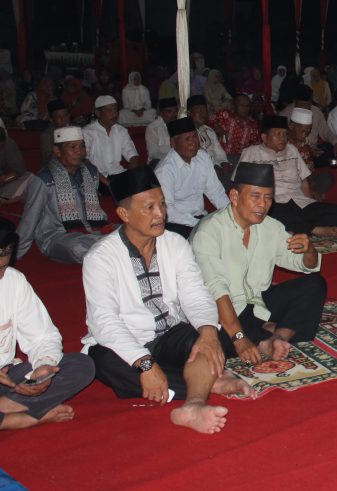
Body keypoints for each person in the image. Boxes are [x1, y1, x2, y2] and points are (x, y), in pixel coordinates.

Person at [82, 167, 253, 433]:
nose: (160, 214)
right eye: (149, 207)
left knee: (208, 339)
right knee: (100, 362)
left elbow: (195, 293)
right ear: (124, 214)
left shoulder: (175, 244)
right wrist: (145, 363)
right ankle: (209, 382)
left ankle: (193, 404)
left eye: (162, 204)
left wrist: (207, 333)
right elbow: (104, 322)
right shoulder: (100, 258)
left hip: (170, 335)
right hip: (126, 342)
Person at [191, 162, 326, 366]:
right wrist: (239, 338)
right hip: (223, 310)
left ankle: (277, 337)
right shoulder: (209, 232)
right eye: (255, 196)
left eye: (268, 197)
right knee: (214, 335)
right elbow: (217, 292)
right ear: (234, 197)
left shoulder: (270, 227)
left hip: (257, 304)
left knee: (314, 284)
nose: (262, 204)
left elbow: (306, 264)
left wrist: (309, 250)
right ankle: (263, 339)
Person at [0, 228, 95, 431]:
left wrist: (44, 367)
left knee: (81, 365)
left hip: (6, 379)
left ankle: (6, 408)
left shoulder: (13, 281)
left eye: (2, 267)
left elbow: (42, 337)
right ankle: (24, 419)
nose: (0, 275)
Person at [237, 116, 337, 236]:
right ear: (264, 137)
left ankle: (294, 228)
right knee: (270, 216)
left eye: (285, 134)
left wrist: (311, 204)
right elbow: (240, 185)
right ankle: (314, 229)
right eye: (278, 134)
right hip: (273, 204)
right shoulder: (251, 153)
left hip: (298, 201)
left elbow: (304, 181)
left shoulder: (292, 150)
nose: (282, 138)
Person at [16, 127, 109, 265]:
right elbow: (30, 219)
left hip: (94, 230)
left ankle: (107, 250)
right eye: (72, 147)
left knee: (130, 232)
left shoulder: (91, 172)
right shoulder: (43, 179)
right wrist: (13, 254)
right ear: (57, 151)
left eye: (82, 146)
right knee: (77, 248)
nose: (79, 151)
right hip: (58, 236)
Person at [154, 118, 229, 239]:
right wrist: (199, 224)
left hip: (200, 218)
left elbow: (216, 193)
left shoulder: (202, 157)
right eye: (187, 139)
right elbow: (168, 210)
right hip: (176, 223)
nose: (193, 142)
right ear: (173, 143)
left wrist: (232, 215)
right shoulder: (165, 170)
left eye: (195, 136)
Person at [83, 95, 141, 190]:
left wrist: (130, 176)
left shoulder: (121, 130)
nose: (114, 114)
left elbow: (133, 156)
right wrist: (106, 182)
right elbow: (84, 161)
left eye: (115, 110)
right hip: (98, 177)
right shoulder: (87, 132)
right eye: (109, 110)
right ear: (98, 113)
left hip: (119, 174)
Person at [280, 86, 337, 166]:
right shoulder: (284, 115)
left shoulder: (316, 111)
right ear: (294, 102)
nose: (304, 108)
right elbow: (283, 141)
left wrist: (336, 144)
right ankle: (330, 162)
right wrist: (308, 149)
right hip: (294, 150)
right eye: (301, 105)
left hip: (314, 148)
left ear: (311, 102)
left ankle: (328, 161)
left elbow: (326, 131)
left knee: (330, 148)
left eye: (307, 104)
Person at [287, 107, 334, 196]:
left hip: (306, 181)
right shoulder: (283, 144)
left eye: (308, 130)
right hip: (291, 184)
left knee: (326, 178)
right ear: (291, 126)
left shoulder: (305, 140)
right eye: (303, 130)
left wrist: (311, 151)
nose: (305, 134)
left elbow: (309, 167)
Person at [186, 95, 232, 183]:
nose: (203, 114)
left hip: (217, 168)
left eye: (205, 110)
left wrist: (224, 163)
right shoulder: (186, 134)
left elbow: (219, 151)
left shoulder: (209, 131)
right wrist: (214, 167)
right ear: (189, 113)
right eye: (199, 110)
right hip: (200, 171)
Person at [211, 93, 261, 163]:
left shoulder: (253, 125)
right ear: (234, 106)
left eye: (247, 105)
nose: (245, 108)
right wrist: (216, 127)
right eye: (242, 105)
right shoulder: (225, 115)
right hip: (220, 156)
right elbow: (209, 121)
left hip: (240, 159)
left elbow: (256, 146)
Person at [145, 98, 180, 165]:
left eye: (175, 111)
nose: (174, 115)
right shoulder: (153, 128)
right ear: (161, 113)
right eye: (169, 112)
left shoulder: (181, 124)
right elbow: (153, 153)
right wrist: (174, 158)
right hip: (161, 163)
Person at [0, 124, 29, 204]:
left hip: (7, 180)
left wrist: (4, 179)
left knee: (29, 178)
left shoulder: (9, 144)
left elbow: (19, 170)